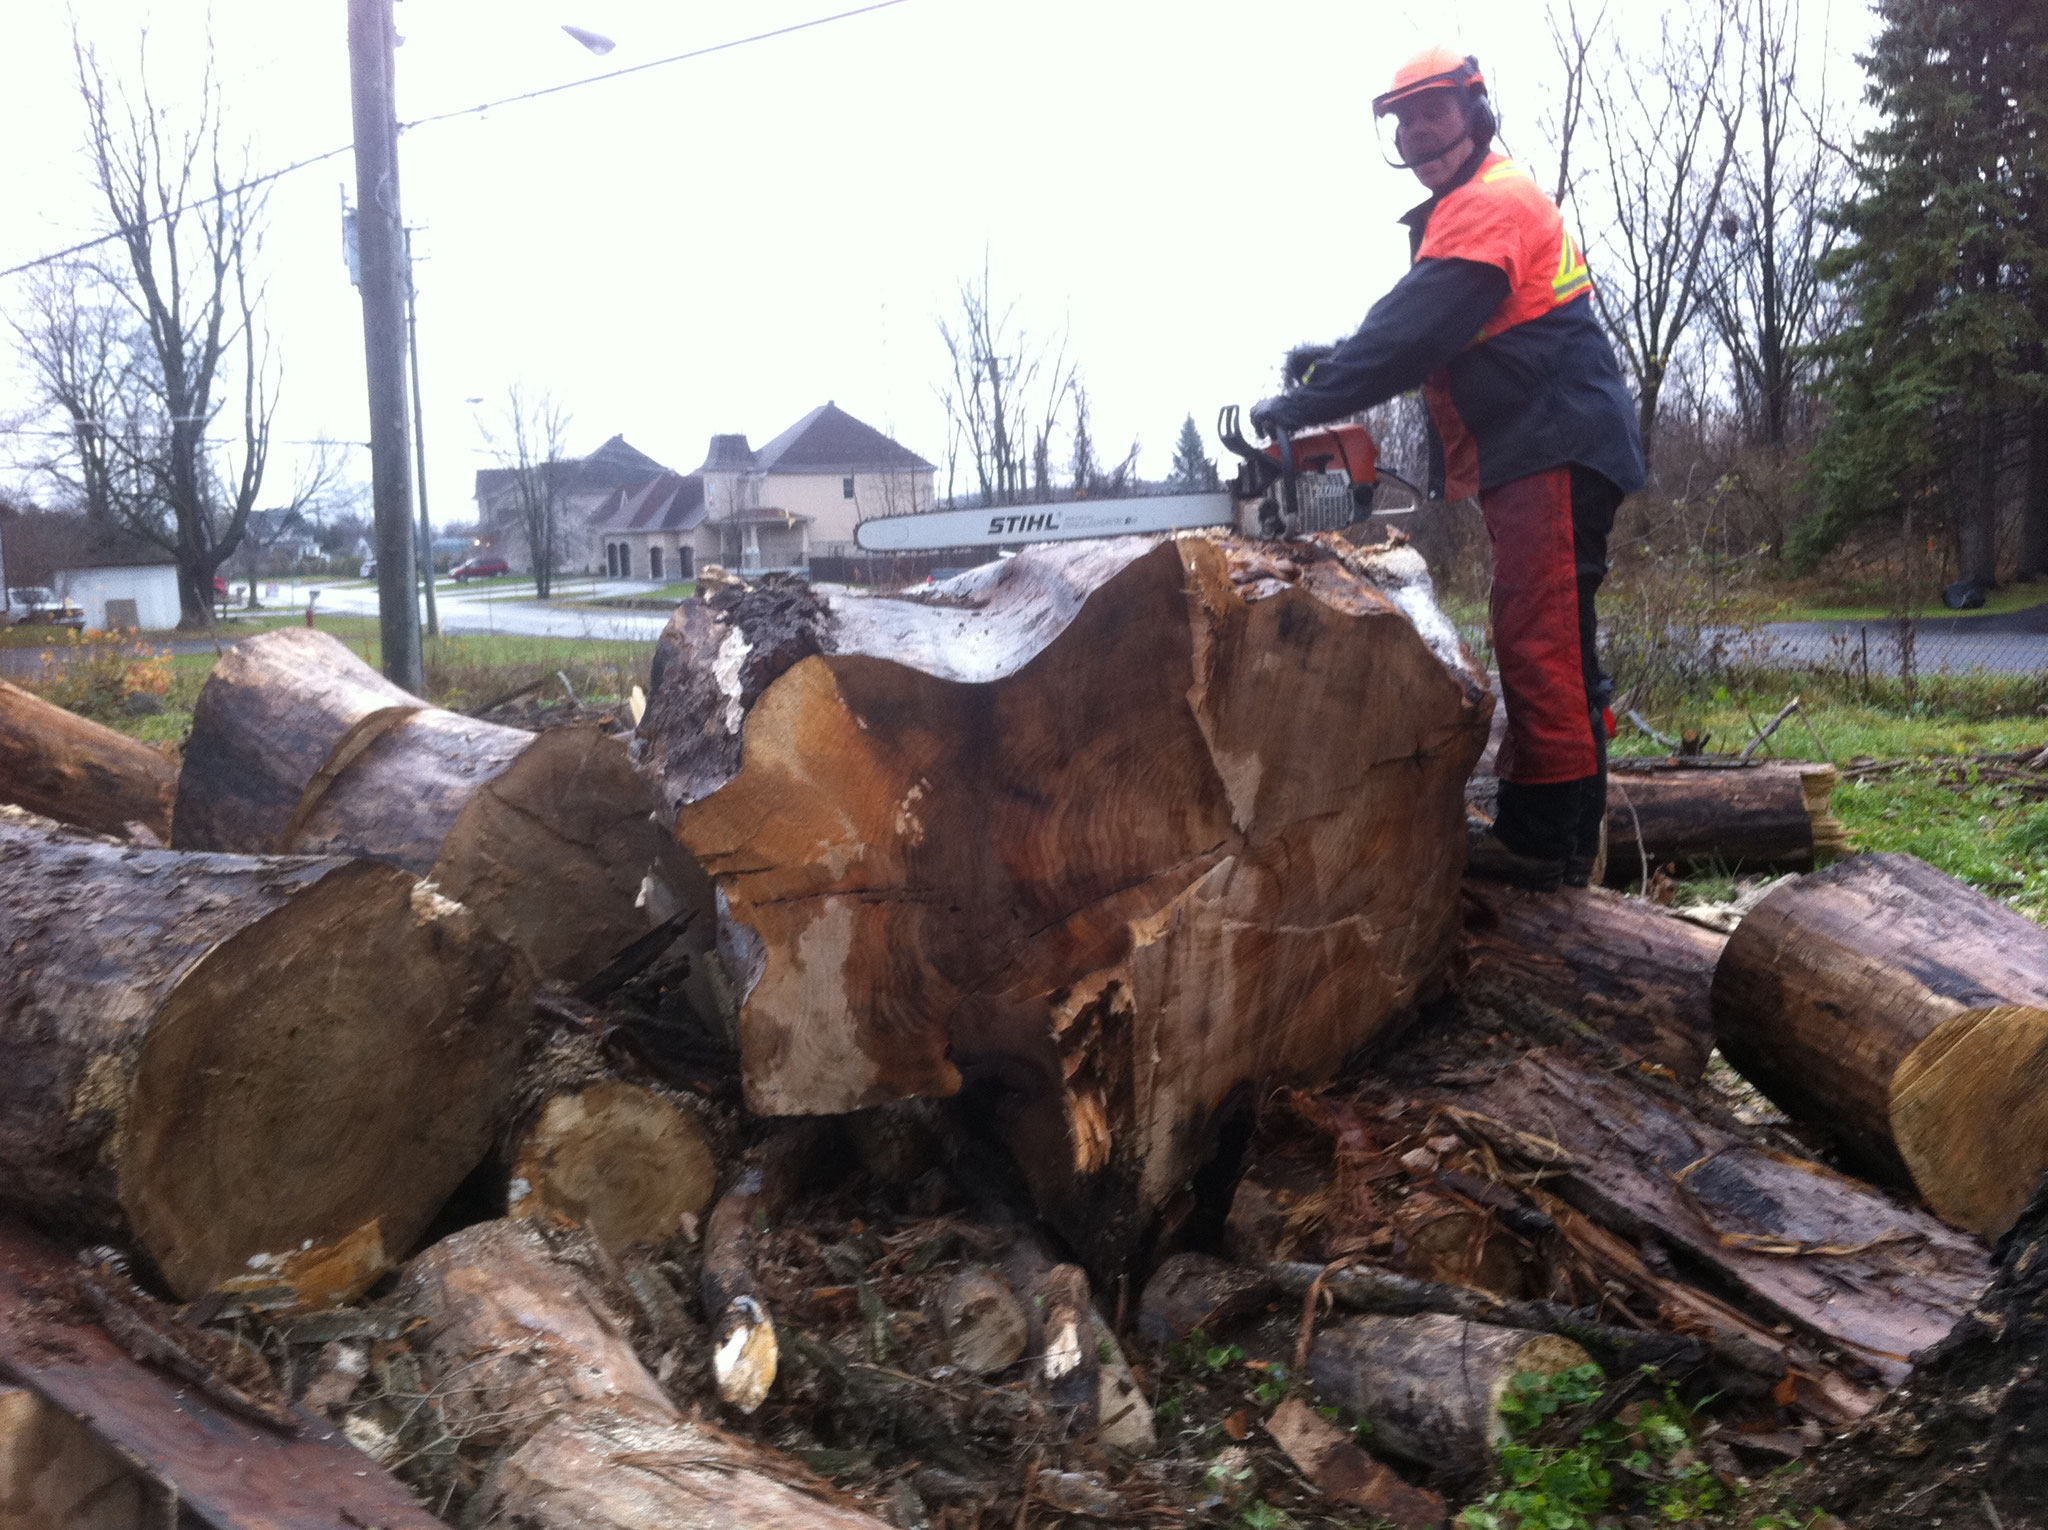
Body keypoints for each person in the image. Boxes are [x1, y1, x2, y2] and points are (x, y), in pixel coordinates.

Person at [1248, 46, 1645, 893]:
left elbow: (1419, 327)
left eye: (1434, 111)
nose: (1419, 130)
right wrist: (1337, 359)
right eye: (1404, 119)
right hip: (1546, 442)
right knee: (1554, 637)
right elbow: (1434, 322)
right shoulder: (1471, 211)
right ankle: (1572, 839)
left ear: (1473, 110)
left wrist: (1303, 405)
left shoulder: (1490, 202)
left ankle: (1544, 841)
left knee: (1538, 637)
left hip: (1554, 439)